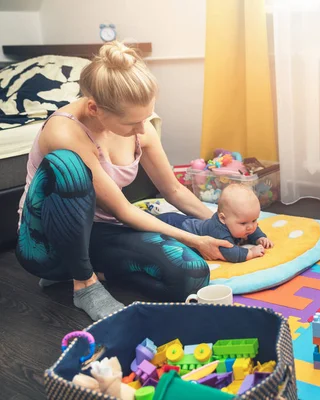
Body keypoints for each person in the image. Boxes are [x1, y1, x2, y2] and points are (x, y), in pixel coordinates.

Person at [16, 41, 234, 321]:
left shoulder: (139, 123)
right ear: (95, 109)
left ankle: (84, 272)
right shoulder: (64, 132)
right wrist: (195, 239)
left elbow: (173, 189)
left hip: (101, 231)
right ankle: (83, 283)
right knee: (70, 167)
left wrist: (219, 223)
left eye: (146, 117)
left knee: (191, 274)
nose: (142, 129)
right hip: (45, 244)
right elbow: (123, 210)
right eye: (132, 123)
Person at [157, 184, 274, 262]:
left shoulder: (239, 223)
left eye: (254, 220)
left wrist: (260, 238)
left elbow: (252, 230)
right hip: (173, 224)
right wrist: (251, 253)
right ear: (223, 219)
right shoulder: (219, 231)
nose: (251, 227)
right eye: (243, 223)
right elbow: (229, 252)